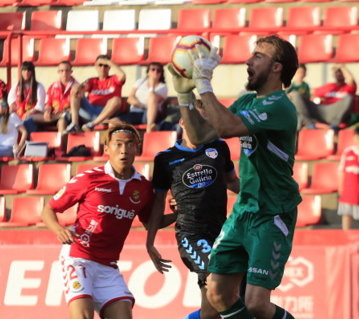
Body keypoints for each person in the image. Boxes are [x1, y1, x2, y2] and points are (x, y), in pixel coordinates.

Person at [171, 35, 301, 319]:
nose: (248, 61)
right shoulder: (246, 100)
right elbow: (200, 135)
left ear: (277, 67)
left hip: (272, 212)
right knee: (216, 294)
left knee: (256, 304)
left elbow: (228, 128)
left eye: (257, 56)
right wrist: (184, 96)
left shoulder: (280, 106)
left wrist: (204, 82)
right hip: (243, 212)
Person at [41, 123, 165, 319]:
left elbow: (151, 223)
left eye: (130, 144)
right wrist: (58, 230)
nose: (124, 150)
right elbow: (48, 209)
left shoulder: (142, 187)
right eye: (118, 144)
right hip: (78, 257)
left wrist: (179, 212)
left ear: (137, 148)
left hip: (108, 266)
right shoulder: (89, 179)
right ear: (106, 148)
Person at [147, 110, 240, 319]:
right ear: (182, 122)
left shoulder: (218, 147)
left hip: (221, 233)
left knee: (212, 311)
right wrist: (149, 243)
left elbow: (232, 181)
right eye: (197, 120)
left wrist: (260, 199)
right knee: (220, 279)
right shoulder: (165, 159)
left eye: (206, 122)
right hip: (191, 235)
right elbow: (158, 203)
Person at [65, 55, 126, 133]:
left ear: (109, 67)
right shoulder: (92, 81)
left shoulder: (114, 79)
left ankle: (93, 124)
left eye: (106, 65)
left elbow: (122, 76)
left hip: (107, 114)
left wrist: (108, 62)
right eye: (100, 65)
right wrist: (78, 87)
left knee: (116, 99)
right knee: (76, 91)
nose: (103, 68)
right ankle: (74, 124)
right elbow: (83, 87)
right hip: (90, 110)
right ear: (96, 66)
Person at [290, 64, 356, 131]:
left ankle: (334, 126)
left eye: (341, 72)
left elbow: (350, 79)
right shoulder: (329, 86)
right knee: (297, 96)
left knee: (349, 98)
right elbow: (310, 92)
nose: (339, 74)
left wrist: (342, 67)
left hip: (336, 113)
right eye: (337, 72)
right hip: (322, 111)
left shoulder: (349, 87)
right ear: (333, 75)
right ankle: (309, 123)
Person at [113, 62, 167, 132]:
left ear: (161, 73)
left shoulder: (163, 87)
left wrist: (152, 86)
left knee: (153, 97)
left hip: (151, 115)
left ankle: (149, 129)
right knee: (114, 121)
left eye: (158, 70)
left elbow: (152, 99)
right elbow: (130, 99)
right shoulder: (140, 82)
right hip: (135, 113)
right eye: (153, 69)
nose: (155, 72)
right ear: (148, 72)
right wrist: (143, 106)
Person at [7, 61, 46, 135]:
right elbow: (12, 103)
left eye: (29, 70)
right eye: (24, 70)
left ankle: (28, 143)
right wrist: (11, 110)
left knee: (28, 121)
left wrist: (28, 113)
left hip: (34, 116)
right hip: (19, 115)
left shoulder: (39, 86)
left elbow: (40, 106)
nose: (26, 73)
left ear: (32, 72)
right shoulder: (16, 86)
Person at [44, 61, 78, 133]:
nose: (64, 73)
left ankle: (62, 144)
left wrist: (63, 111)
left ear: (71, 72)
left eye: (67, 70)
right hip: (53, 115)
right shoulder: (53, 86)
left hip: (68, 116)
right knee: (32, 119)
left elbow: (78, 107)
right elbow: (48, 103)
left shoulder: (76, 86)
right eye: (62, 71)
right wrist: (47, 111)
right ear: (58, 72)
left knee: (61, 122)